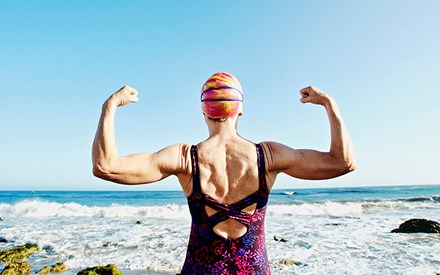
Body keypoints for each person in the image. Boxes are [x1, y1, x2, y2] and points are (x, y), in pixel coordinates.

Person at [92, 72, 356, 274]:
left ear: (203, 110)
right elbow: (342, 162)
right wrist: (330, 105)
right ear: (240, 109)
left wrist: (110, 106)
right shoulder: (269, 156)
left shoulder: (185, 158)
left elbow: (106, 166)